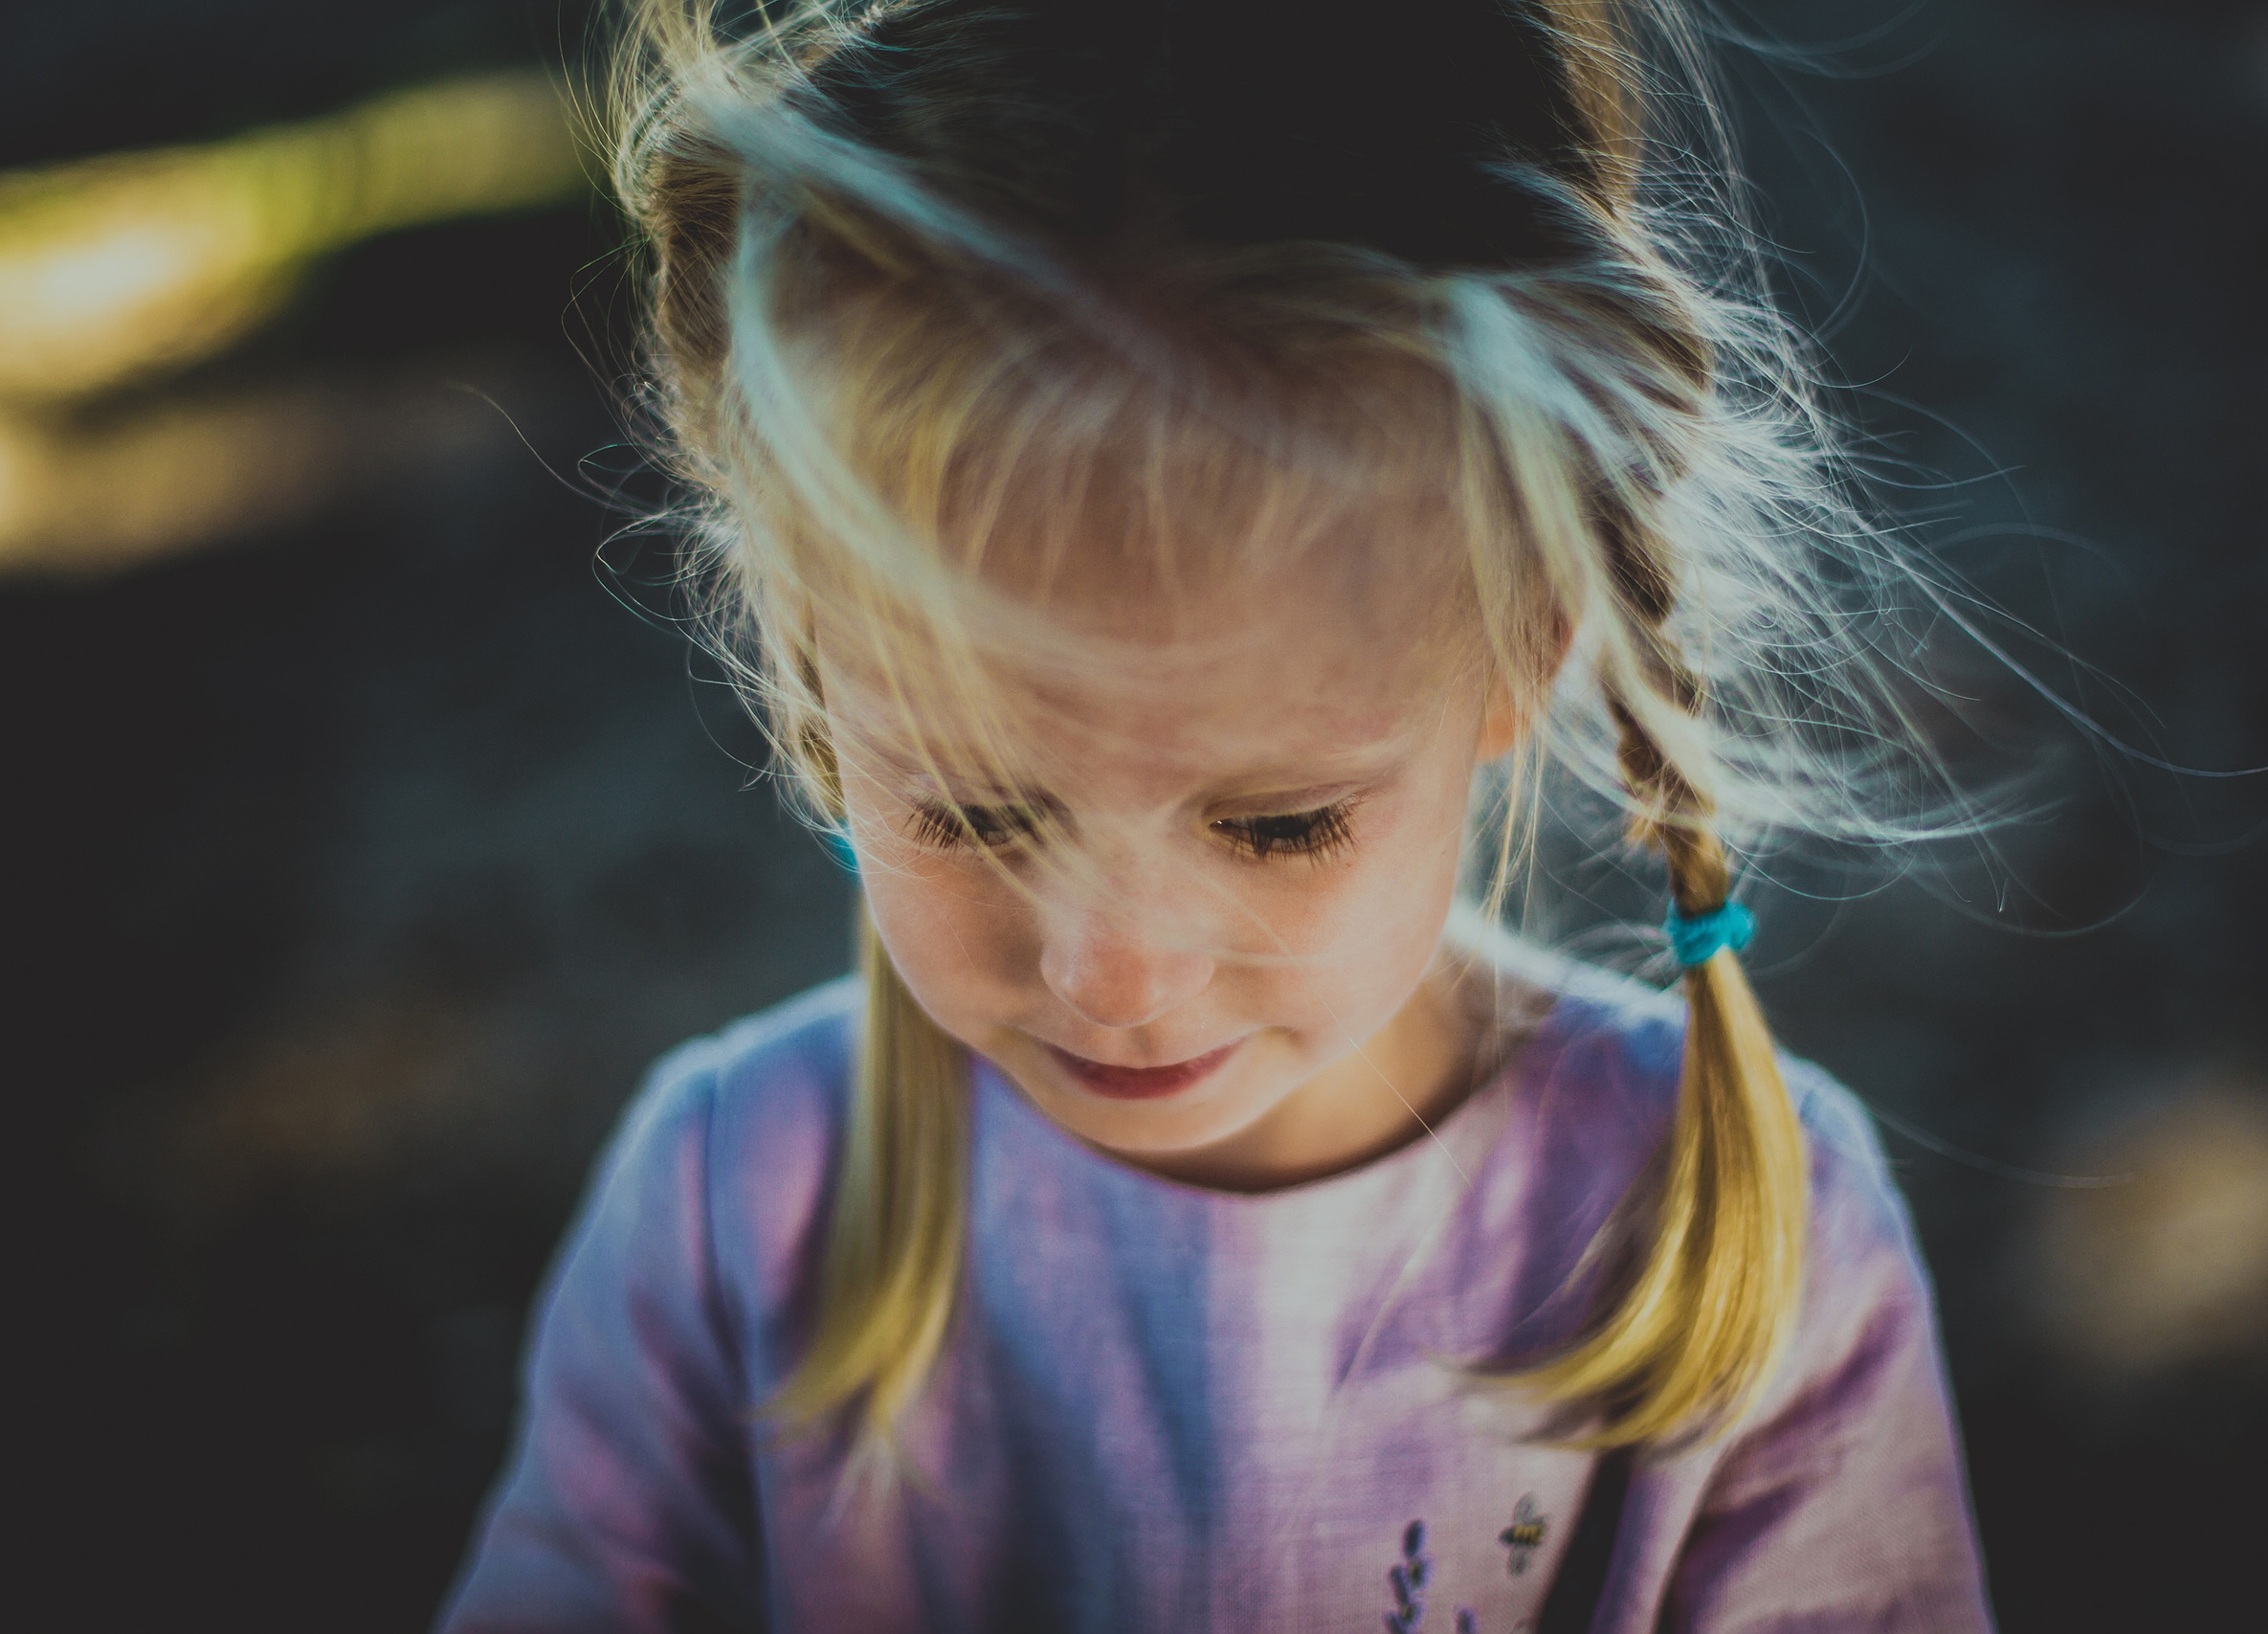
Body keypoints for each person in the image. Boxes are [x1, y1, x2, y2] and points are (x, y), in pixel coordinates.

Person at [438, 0, 1993, 1627]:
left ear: (1528, 640)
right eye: (973, 811)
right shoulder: (734, 1207)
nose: (1115, 974)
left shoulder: (1736, 1244)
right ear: (810, 664)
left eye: (1274, 825)